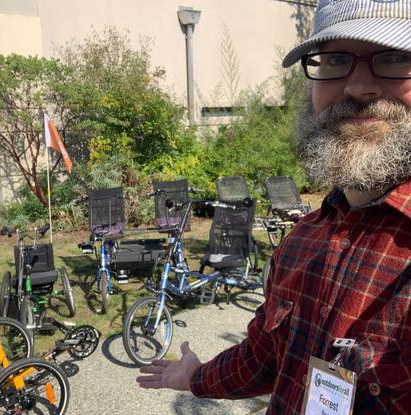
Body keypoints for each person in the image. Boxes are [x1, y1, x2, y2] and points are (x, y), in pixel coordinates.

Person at [136, 1, 411, 414]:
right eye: (335, 58)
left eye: (394, 57)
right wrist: (194, 377)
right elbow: (265, 358)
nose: (357, 86)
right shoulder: (302, 241)